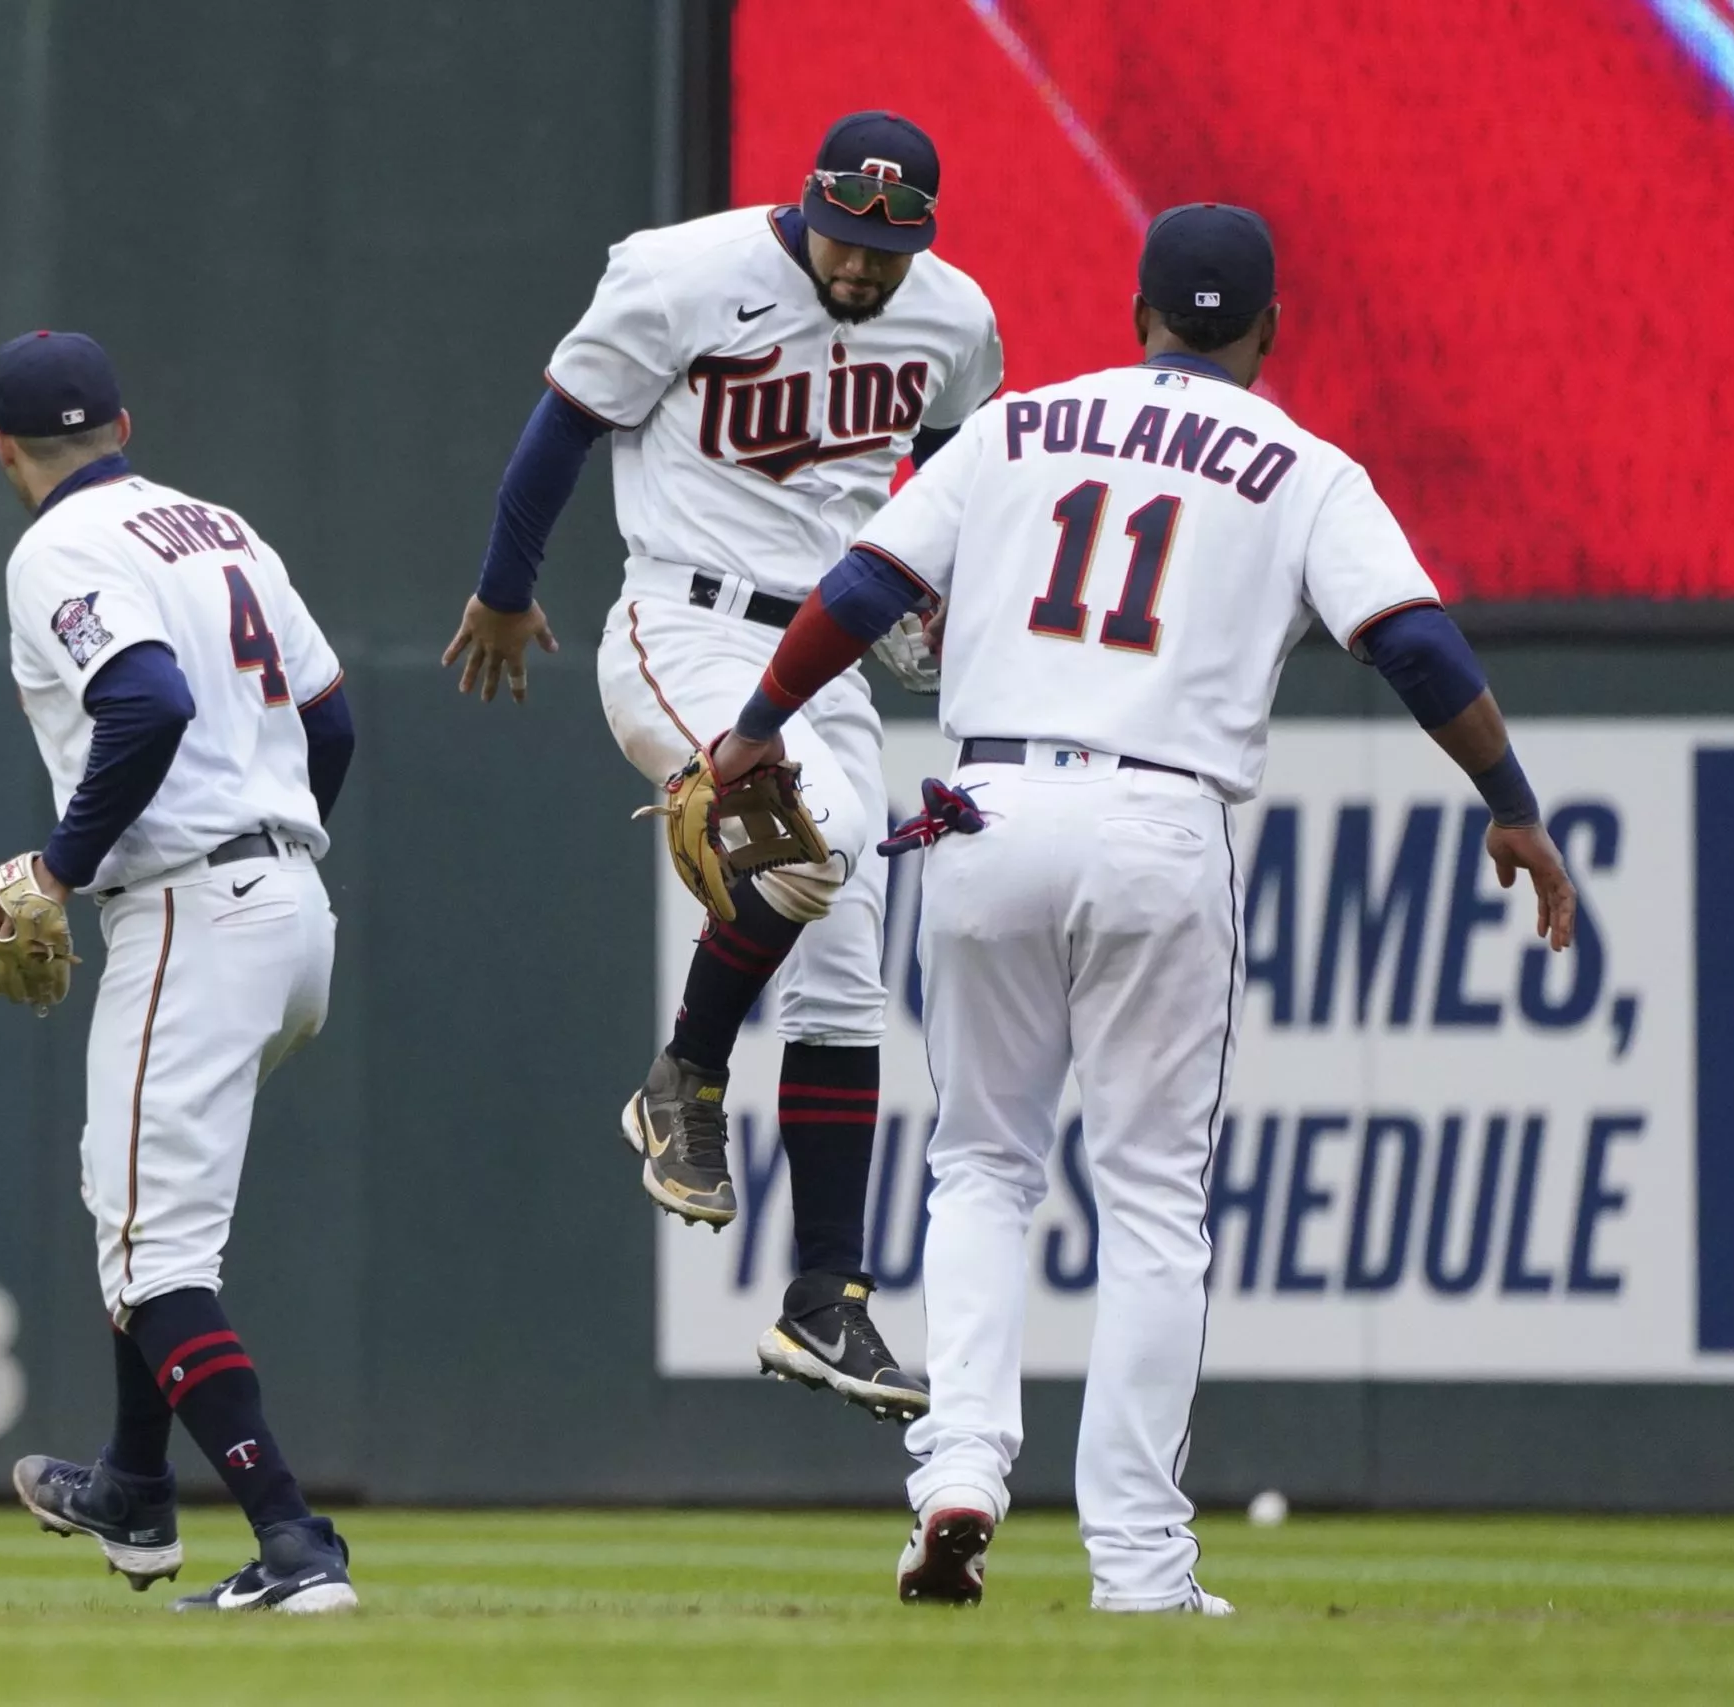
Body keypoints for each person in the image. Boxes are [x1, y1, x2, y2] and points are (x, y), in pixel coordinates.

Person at [704, 206, 1578, 1613]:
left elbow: (865, 583)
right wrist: (1513, 802)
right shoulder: (1302, 463)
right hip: (1159, 820)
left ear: (1136, 312)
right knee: (1154, 1198)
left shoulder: (1018, 426)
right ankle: (1138, 1560)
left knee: (984, 1165)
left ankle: (960, 1473)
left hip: (989, 809)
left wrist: (756, 722)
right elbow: (1411, 638)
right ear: (1270, 328)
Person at [443, 110, 1003, 1421]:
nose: (862, 269)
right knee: (813, 844)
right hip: (681, 624)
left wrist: (930, 590)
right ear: (804, 204)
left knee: (850, 956)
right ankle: (686, 1074)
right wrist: (505, 590)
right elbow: (563, 429)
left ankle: (827, 1302)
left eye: (888, 247)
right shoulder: (682, 273)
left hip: (828, 654)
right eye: (846, 238)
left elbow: (945, 466)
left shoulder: (955, 318)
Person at [0, 332, 360, 1614]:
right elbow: (331, 719)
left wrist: (58, 870)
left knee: (150, 1253)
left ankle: (294, 1547)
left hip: (189, 907)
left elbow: (147, 703)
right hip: (291, 901)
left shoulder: (55, 548)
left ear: (4, 447)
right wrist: (271, 838)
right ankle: (132, 1482)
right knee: (155, 1227)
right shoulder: (222, 527)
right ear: (123, 422)